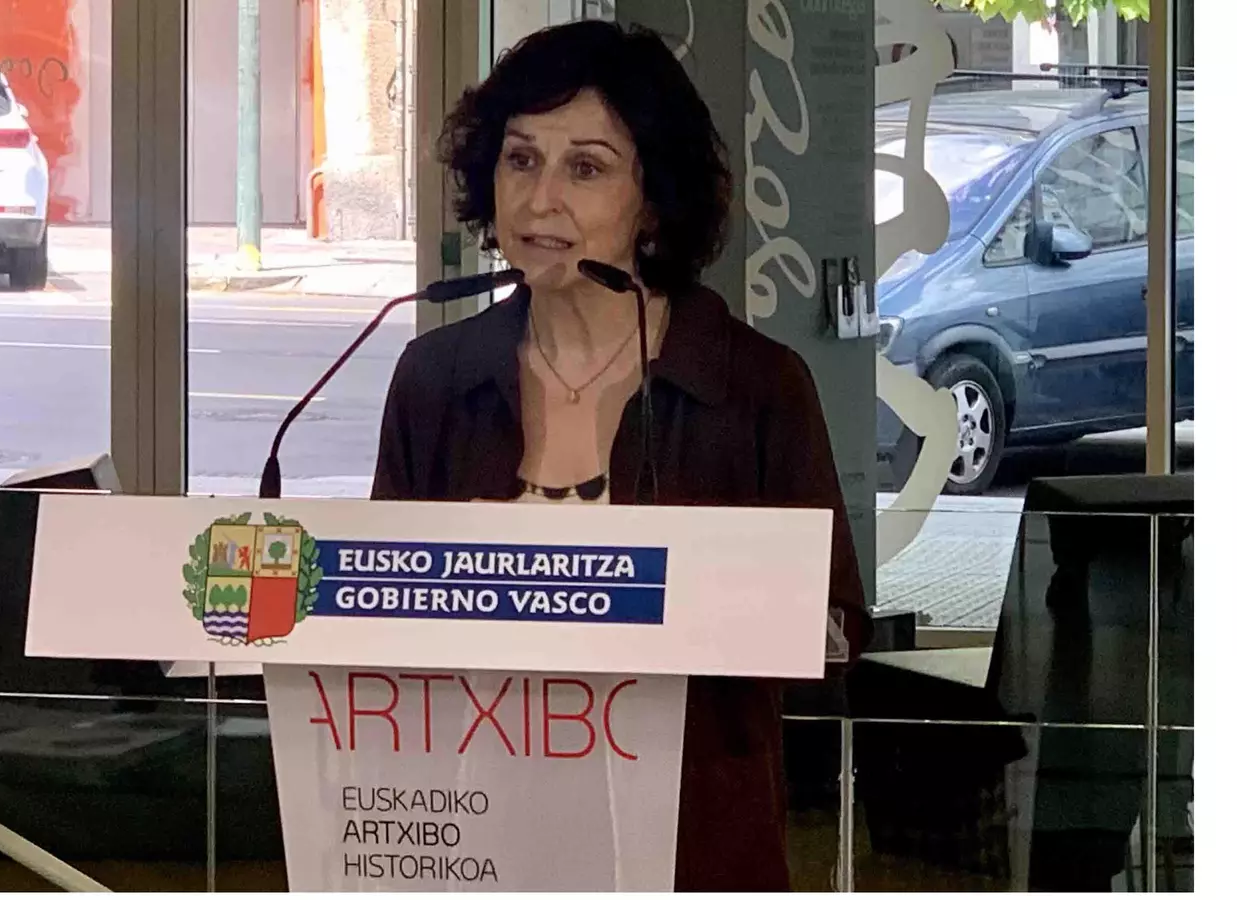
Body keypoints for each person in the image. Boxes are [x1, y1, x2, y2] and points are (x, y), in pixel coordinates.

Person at [371, 20, 868, 891]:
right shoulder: (436, 379)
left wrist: (712, 595)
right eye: (521, 160)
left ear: (654, 201)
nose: (540, 200)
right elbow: (378, 619)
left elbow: (836, 635)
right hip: (476, 840)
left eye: (586, 168)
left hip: (691, 847)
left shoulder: (754, 386)